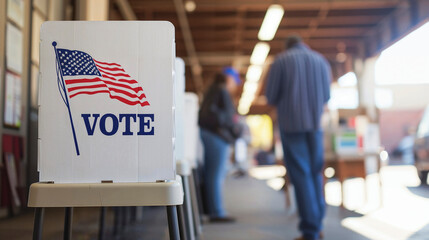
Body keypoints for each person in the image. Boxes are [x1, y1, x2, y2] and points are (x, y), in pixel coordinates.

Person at [265, 35, 331, 240]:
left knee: (301, 175)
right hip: (315, 125)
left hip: (292, 125)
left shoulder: (281, 61)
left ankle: (310, 230)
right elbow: (327, 96)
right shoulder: (321, 61)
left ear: (286, 46)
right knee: (315, 173)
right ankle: (317, 224)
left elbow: (271, 96)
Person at [198, 68, 242, 223]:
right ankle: (217, 212)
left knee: (211, 174)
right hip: (216, 136)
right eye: (235, 82)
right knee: (215, 175)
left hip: (209, 134)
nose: (235, 87)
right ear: (229, 78)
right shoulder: (221, 90)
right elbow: (225, 116)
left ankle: (213, 210)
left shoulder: (212, 89)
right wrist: (234, 127)